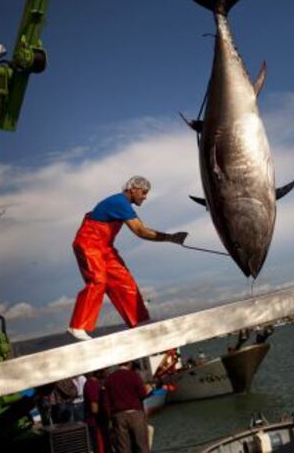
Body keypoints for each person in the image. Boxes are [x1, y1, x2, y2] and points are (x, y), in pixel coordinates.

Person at [68, 176, 188, 340]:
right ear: (133, 189)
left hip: (105, 247)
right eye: (144, 193)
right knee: (98, 281)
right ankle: (77, 326)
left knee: (125, 282)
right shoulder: (120, 202)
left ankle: (140, 322)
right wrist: (170, 237)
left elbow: (139, 229)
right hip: (89, 243)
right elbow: (140, 231)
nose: (145, 197)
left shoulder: (123, 205)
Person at [104, 361, 152, 453]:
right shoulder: (134, 376)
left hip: (118, 416)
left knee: (123, 448)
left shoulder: (110, 379)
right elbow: (142, 394)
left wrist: (110, 418)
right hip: (135, 414)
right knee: (142, 446)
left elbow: (106, 402)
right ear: (129, 363)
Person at [84, 369, 110, 453]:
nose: (107, 371)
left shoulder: (97, 383)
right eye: (106, 369)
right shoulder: (92, 384)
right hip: (97, 423)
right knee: (100, 447)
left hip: (100, 422)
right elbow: (94, 407)